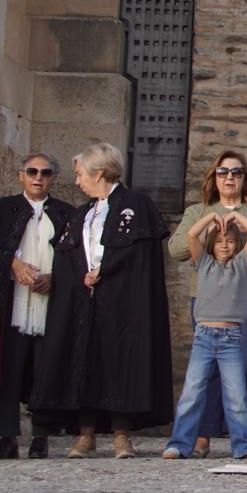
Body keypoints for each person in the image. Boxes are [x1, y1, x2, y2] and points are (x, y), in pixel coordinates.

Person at [30, 143, 173, 459]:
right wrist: (81, 276)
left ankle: (122, 434)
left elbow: (138, 255)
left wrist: (105, 269)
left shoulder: (135, 205)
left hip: (122, 302)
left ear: (97, 172)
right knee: (83, 362)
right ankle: (86, 433)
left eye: (80, 174)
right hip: (84, 303)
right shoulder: (83, 213)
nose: (77, 181)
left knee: (119, 363)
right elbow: (69, 255)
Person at [0, 153, 74, 458]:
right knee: (10, 368)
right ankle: (8, 436)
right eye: (32, 171)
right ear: (21, 175)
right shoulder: (2, 210)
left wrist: (54, 278)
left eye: (45, 172)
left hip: (50, 305)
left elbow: (75, 259)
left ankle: (41, 436)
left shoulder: (66, 213)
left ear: (53, 178)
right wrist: (14, 264)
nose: (38, 177)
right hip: (11, 303)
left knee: (43, 370)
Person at [168, 150, 247, 457]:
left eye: (236, 172)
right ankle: (201, 436)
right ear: (214, 177)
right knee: (202, 377)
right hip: (206, 301)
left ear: (245, 177)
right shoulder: (198, 211)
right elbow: (177, 249)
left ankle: (244, 441)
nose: (229, 177)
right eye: (223, 172)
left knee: (243, 371)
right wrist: (209, 232)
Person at [163, 214, 247, 459]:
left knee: (236, 395)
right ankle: (179, 444)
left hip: (231, 339)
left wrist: (236, 216)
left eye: (230, 240)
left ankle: (245, 445)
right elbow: (191, 234)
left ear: (237, 245)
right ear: (211, 245)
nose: (224, 245)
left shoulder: (241, 264)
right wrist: (211, 218)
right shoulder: (203, 263)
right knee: (192, 392)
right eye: (219, 241)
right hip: (204, 337)